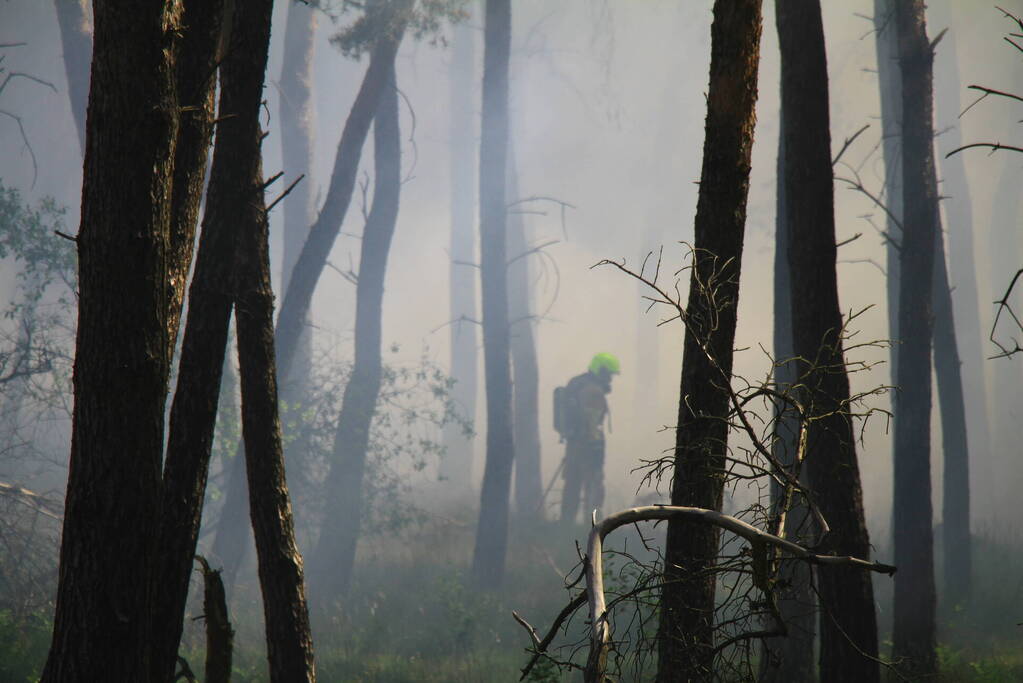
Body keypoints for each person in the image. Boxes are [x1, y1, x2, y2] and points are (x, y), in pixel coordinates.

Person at [559, 352, 618, 524]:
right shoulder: (594, 392)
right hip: (589, 448)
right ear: (601, 371)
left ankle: (565, 524)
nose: (610, 380)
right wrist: (597, 449)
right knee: (594, 489)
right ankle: (593, 529)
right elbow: (592, 424)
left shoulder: (577, 384)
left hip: (573, 445)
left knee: (572, 485)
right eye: (609, 375)